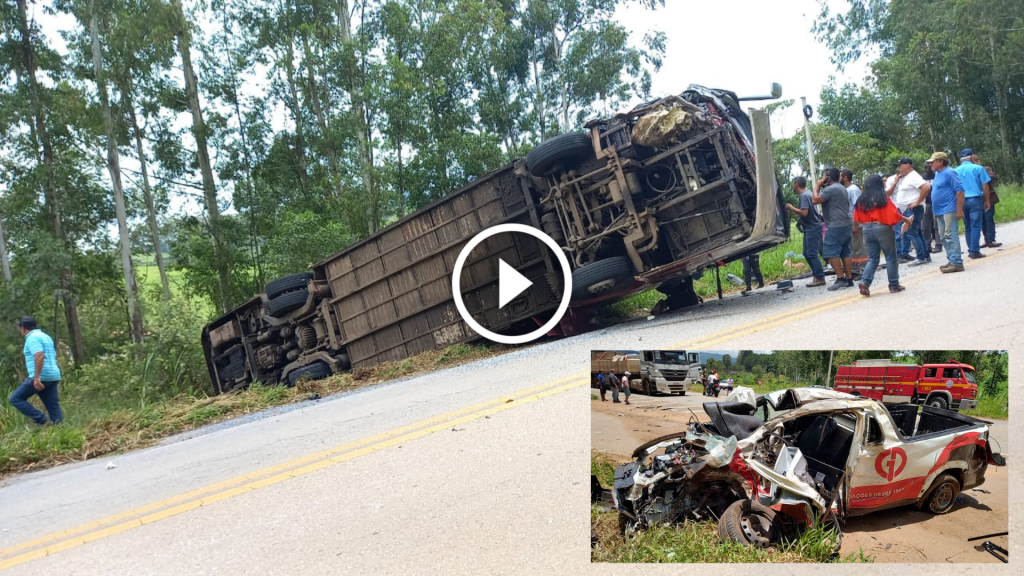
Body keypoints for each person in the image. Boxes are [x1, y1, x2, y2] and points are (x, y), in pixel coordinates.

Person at [854, 175, 914, 296]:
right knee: (891, 257)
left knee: (873, 258)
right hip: (882, 228)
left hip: (866, 228)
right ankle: (893, 285)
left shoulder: (861, 200)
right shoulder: (883, 198)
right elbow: (894, 214)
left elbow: (856, 218)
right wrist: (906, 220)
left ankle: (865, 282)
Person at [9, 317, 64, 426]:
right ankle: (60, 430)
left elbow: (39, 355)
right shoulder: (46, 336)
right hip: (53, 375)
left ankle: (41, 419)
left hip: (41, 376)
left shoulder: (32, 338)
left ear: (23, 328)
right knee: (53, 405)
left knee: (15, 399)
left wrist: (36, 377)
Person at [811, 167, 854, 290]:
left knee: (830, 252)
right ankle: (849, 278)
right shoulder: (842, 188)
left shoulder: (831, 189)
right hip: (846, 224)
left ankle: (840, 278)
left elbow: (815, 200)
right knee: (845, 251)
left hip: (835, 225)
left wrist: (818, 185)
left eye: (825, 176)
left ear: (829, 177)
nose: (823, 178)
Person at [886, 157, 931, 266]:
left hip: (913, 208)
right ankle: (925, 255)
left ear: (908, 165)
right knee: (917, 231)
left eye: (900, 165)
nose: (899, 168)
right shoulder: (906, 177)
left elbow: (926, 187)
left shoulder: (913, 176)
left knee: (911, 232)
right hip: (908, 208)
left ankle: (921, 257)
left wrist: (917, 202)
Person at [928, 152, 966, 273]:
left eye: (932, 162)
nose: (930, 164)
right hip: (939, 210)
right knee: (943, 236)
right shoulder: (937, 174)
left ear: (941, 161)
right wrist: (935, 211)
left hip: (949, 208)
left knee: (950, 234)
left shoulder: (950, 172)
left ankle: (956, 262)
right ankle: (951, 259)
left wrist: (959, 209)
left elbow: (960, 191)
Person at [785, 176, 826, 287]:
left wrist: (791, 207)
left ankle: (820, 277)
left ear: (796, 184)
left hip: (812, 227)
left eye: (793, 184)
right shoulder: (808, 193)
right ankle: (817, 275)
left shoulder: (803, 196)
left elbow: (804, 213)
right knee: (806, 253)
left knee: (811, 253)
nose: (793, 186)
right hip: (811, 227)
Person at [953, 148, 992, 260]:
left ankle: (971, 248)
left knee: (968, 226)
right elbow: (985, 185)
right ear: (971, 156)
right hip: (975, 199)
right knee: (975, 225)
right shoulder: (978, 168)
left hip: (962, 200)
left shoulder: (955, 171)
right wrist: (987, 200)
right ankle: (974, 251)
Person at [840, 169, 866, 279]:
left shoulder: (853, 189)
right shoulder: (845, 190)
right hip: (848, 223)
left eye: (841, 176)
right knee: (852, 248)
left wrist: (855, 224)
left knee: (859, 247)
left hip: (855, 222)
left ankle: (864, 270)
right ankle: (855, 269)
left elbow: (857, 207)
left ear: (845, 177)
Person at [921, 160, 942, 253]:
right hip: (925, 203)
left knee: (936, 225)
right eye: (926, 167)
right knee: (925, 226)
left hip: (936, 203)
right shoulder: (921, 178)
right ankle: (927, 245)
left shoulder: (937, 176)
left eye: (930, 166)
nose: (928, 168)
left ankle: (938, 244)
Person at [981, 162, 1002, 248]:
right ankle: (987, 239)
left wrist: (982, 174)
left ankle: (991, 239)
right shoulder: (971, 171)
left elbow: (992, 177)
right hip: (978, 199)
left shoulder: (986, 169)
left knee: (988, 218)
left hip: (989, 198)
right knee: (982, 220)